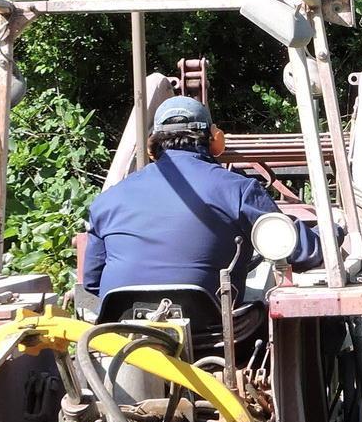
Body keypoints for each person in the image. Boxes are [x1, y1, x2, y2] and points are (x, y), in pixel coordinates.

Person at [81, 95, 326, 299]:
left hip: (122, 336)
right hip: (215, 337)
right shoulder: (239, 191)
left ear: (151, 147)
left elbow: (92, 283)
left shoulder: (107, 201)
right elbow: (300, 251)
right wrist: (333, 234)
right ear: (216, 139)